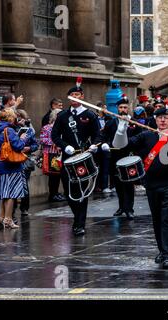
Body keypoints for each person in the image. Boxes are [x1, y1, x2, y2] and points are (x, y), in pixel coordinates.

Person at [113, 108, 168, 270]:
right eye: (160, 117)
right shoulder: (146, 135)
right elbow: (122, 146)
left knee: (167, 218)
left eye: (166, 118)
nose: (163, 120)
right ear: (155, 120)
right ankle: (162, 250)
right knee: (157, 219)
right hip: (152, 184)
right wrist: (121, 130)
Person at [51, 78, 103, 236]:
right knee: (69, 191)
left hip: (84, 156)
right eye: (72, 94)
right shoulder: (62, 116)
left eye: (78, 94)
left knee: (83, 190)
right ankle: (77, 217)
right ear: (69, 97)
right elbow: (54, 135)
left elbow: (98, 135)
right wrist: (64, 145)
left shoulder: (90, 115)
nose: (75, 96)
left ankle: (80, 223)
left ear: (82, 97)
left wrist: (94, 145)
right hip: (67, 157)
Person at [0, 108, 28, 229]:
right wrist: (23, 138)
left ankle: (0, 217)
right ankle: (8, 219)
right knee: (12, 193)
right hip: (11, 165)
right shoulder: (9, 130)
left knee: (3, 193)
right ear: (10, 118)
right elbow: (18, 146)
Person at [101, 95, 136, 220]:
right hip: (115, 156)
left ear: (128, 108)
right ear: (117, 108)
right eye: (120, 107)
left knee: (129, 184)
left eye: (125, 107)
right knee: (118, 183)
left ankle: (129, 209)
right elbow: (104, 136)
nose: (123, 109)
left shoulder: (134, 122)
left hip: (129, 156)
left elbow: (139, 138)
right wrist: (105, 144)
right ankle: (121, 207)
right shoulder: (111, 122)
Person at [15, 109, 39, 217]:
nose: (20, 120)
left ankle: (24, 208)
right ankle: (13, 209)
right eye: (18, 117)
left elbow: (35, 145)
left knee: (25, 185)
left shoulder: (28, 130)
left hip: (26, 159)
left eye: (22, 117)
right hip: (14, 159)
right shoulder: (11, 129)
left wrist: (29, 148)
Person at [40, 109, 65, 202]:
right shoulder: (46, 127)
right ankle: (52, 194)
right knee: (52, 176)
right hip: (50, 153)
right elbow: (42, 139)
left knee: (58, 175)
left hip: (59, 153)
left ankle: (56, 193)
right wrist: (54, 142)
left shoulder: (62, 127)